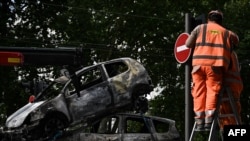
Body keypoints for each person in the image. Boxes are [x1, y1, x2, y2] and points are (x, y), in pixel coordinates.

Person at [185, 10, 239, 130]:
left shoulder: (199, 28)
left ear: (209, 19)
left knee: (198, 91)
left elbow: (188, 44)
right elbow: (236, 40)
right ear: (220, 21)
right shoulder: (226, 32)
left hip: (198, 65)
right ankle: (209, 120)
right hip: (215, 66)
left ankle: (199, 120)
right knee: (212, 90)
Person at [219, 51, 243, 130]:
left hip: (228, 88)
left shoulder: (224, 52)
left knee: (230, 117)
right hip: (233, 87)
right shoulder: (232, 53)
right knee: (231, 116)